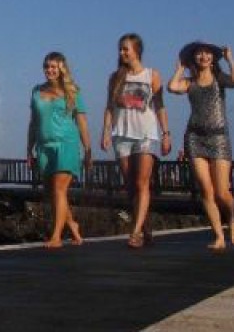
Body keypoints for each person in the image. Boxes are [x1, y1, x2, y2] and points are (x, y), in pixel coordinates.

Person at [168, 41, 234, 250]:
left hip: (219, 138)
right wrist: (180, 69)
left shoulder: (219, 79)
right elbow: (172, 87)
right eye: (199, 54)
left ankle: (231, 219)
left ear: (213, 58)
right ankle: (218, 235)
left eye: (207, 53)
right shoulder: (190, 81)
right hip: (195, 138)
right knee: (206, 190)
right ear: (194, 57)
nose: (203, 56)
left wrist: (230, 59)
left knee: (221, 192)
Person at [99, 33, 170, 249]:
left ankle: (136, 231)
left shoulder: (152, 75)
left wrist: (166, 133)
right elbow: (110, 107)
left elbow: (159, 106)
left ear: (136, 51)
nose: (121, 53)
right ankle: (145, 226)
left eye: (125, 49)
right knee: (130, 187)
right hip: (122, 135)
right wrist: (105, 131)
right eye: (120, 49)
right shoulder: (115, 77)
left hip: (146, 133)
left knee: (142, 183)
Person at [26, 51, 91, 248]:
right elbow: (33, 122)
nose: (49, 70)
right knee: (51, 193)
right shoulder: (36, 91)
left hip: (66, 143)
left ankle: (56, 236)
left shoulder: (72, 91)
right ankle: (72, 224)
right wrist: (29, 149)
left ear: (61, 68)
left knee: (59, 189)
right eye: (46, 66)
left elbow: (81, 123)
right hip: (44, 146)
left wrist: (88, 149)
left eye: (53, 66)